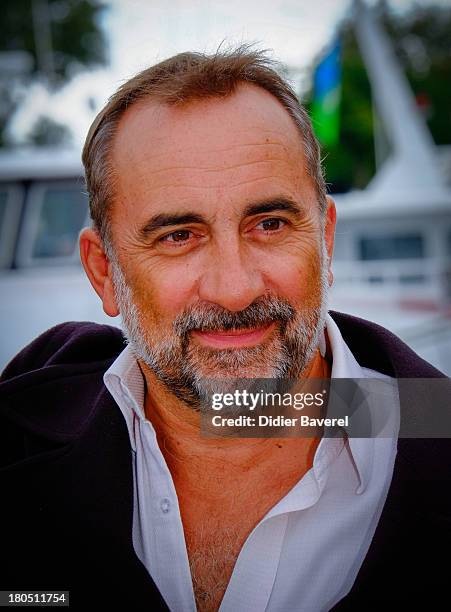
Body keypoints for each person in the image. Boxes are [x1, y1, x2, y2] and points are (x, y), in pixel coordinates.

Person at [0, 47, 449, 612]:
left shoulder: (434, 429)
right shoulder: (18, 443)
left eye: (269, 224)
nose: (234, 289)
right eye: (178, 236)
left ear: (325, 242)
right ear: (105, 272)